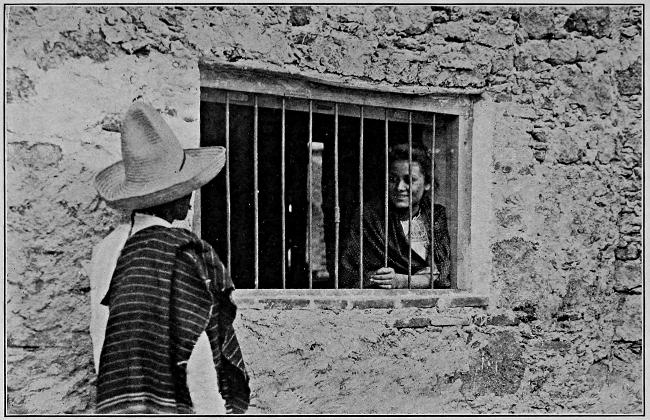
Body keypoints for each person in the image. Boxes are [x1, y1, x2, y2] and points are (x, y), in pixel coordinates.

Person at [89, 102, 250, 414]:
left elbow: (102, 337)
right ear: (173, 197)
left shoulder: (106, 251)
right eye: (187, 191)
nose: (190, 202)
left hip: (119, 398)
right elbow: (197, 352)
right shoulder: (181, 252)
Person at [340, 143, 451, 289]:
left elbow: (444, 274)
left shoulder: (436, 216)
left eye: (409, 180)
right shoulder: (369, 218)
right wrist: (386, 278)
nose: (399, 187)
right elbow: (349, 274)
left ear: (427, 183)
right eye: (392, 179)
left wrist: (403, 281)